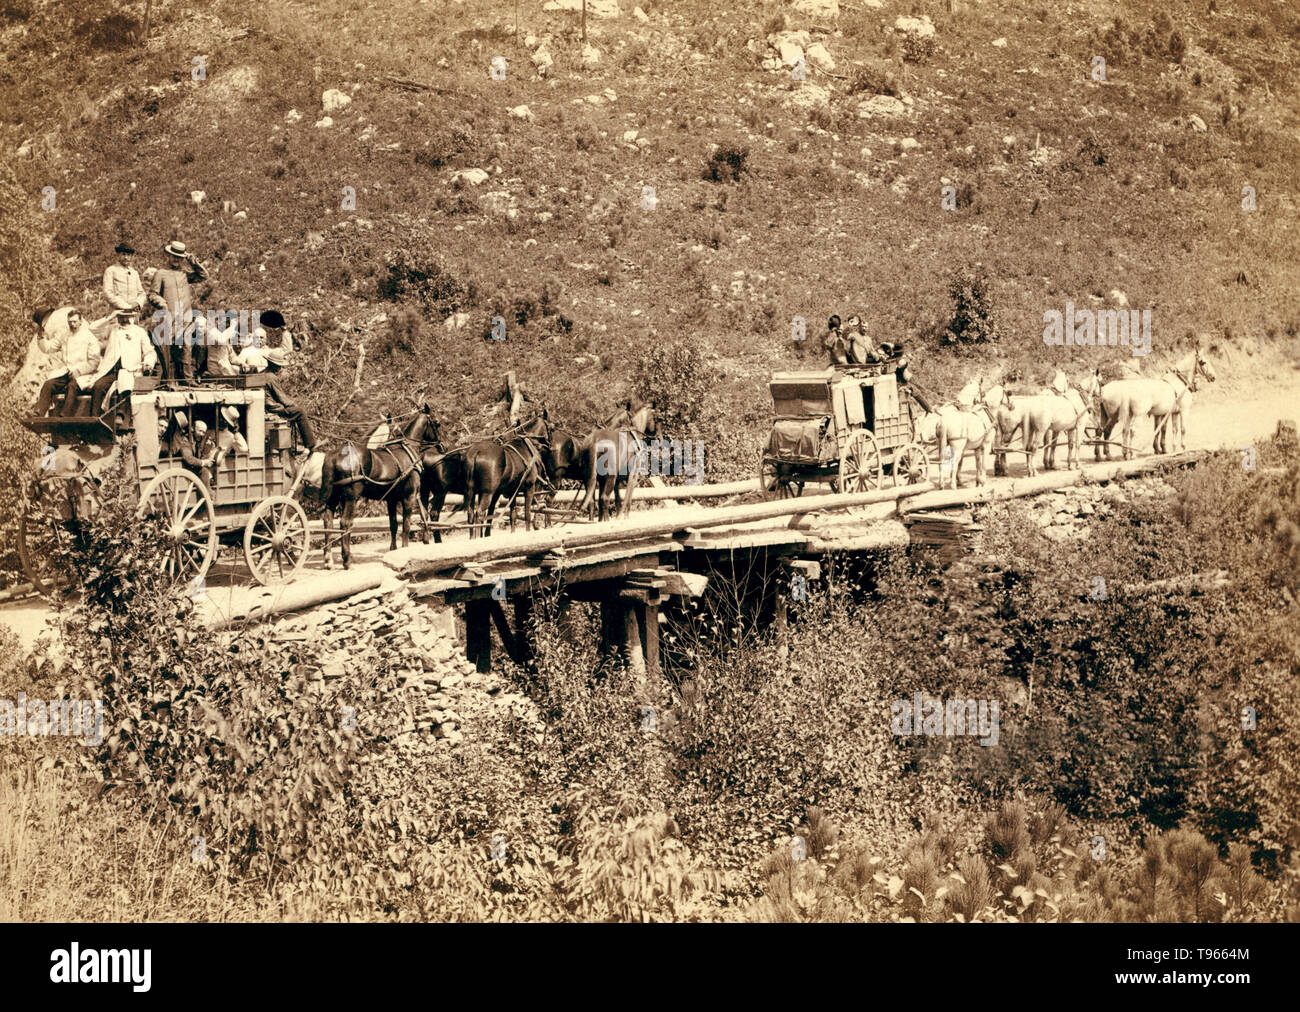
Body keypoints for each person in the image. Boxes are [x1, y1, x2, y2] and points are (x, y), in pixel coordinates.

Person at [149, 240, 207, 383]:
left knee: (187, 349)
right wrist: (162, 304)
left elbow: (203, 276)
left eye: (179, 257)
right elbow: (152, 294)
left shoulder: (185, 274)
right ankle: (168, 382)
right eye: (174, 256)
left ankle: (188, 380)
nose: (176, 260)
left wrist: (193, 262)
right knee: (167, 351)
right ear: (168, 256)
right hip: (168, 319)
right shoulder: (161, 273)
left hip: (185, 319)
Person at [89, 307, 158, 417]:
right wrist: (110, 317)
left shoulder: (139, 332)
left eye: (127, 317)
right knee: (98, 386)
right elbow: (92, 329)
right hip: (111, 370)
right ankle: (95, 418)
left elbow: (150, 352)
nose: (124, 320)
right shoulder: (112, 329)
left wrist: (148, 363)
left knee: (125, 384)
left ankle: (121, 415)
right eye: (121, 316)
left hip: (130, 370)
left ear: (133, 317)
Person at [59, 309, 102, 416]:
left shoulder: (89, 337)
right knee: (49, 384)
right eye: (70, 322)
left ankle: (64, 415)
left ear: (81, 321)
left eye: (74, 322)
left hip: (85, 374)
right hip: (69, 372)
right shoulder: (66, 336)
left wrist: (79, 371)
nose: (72, 325)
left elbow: (94, 362)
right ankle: (38, 413)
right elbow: (50, 347)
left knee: (72, 385)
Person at [168, 410, 216, 484]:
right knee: (204, 471)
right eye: (200, 431)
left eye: (203, 432)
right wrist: (203, 462)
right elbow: (189, 458)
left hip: (191, 468)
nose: (202, 434)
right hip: (184, 470)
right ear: (192, 429)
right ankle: (208, 494)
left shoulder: (199, 441)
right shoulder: (185, 440)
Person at [103, 242, 146, 314]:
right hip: (117, 312)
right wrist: (125, 306)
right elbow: (107, 293)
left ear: (131, 257)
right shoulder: (111, 270)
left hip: (133, 313)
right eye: (123, 254)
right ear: (118, 255)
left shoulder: (134, 273)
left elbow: (141, 293)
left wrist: (137, 303)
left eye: (128, 255)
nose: (126, 257)